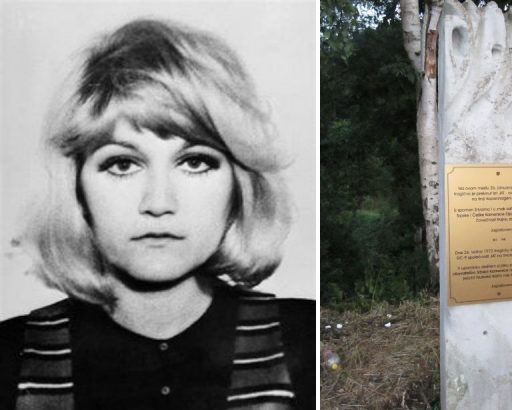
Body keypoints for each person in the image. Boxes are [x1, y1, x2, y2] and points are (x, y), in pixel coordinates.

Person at [0, 18, 314, 410]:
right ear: (76, 187)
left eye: (195, 162)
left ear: (239, 184)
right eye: (122, 164)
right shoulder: (7, 359)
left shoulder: (306, 338)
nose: (159, 202)